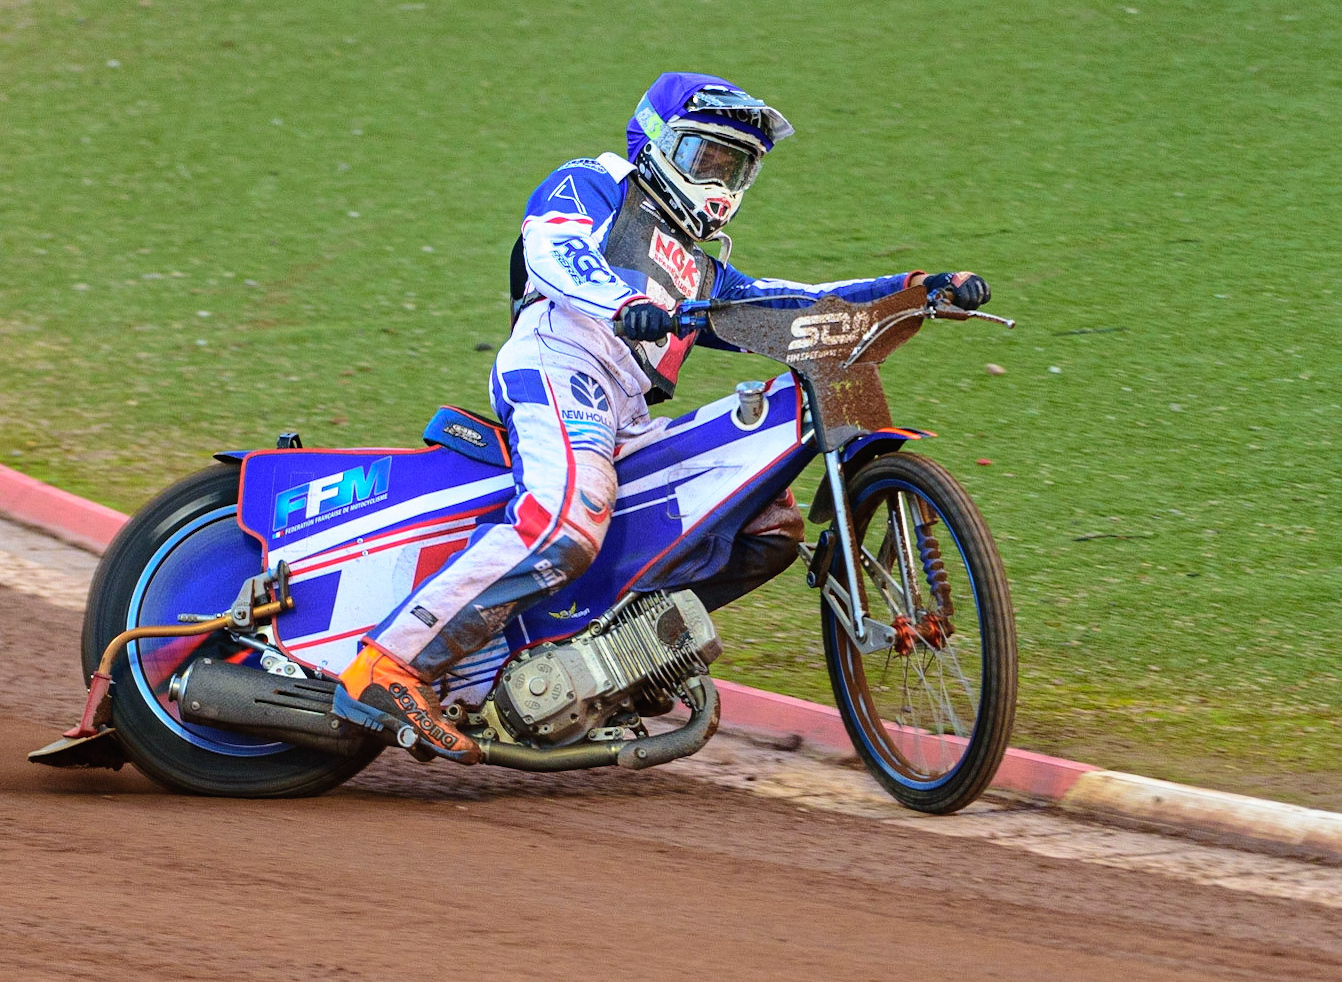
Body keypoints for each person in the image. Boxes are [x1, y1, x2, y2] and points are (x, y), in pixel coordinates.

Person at [333, 71, 991, 763]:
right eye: (706, 158)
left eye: (735, 168)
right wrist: (619, 303)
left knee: (766, 526)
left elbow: (793, 302)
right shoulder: (596, 180)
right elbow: (553, 249)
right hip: (560, 366)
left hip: (625, 413)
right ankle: (388, 665)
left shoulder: (701, 272)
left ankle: (618, 659)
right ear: (655, 141)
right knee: (566, 519)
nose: (720, 181)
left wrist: (913, 290)